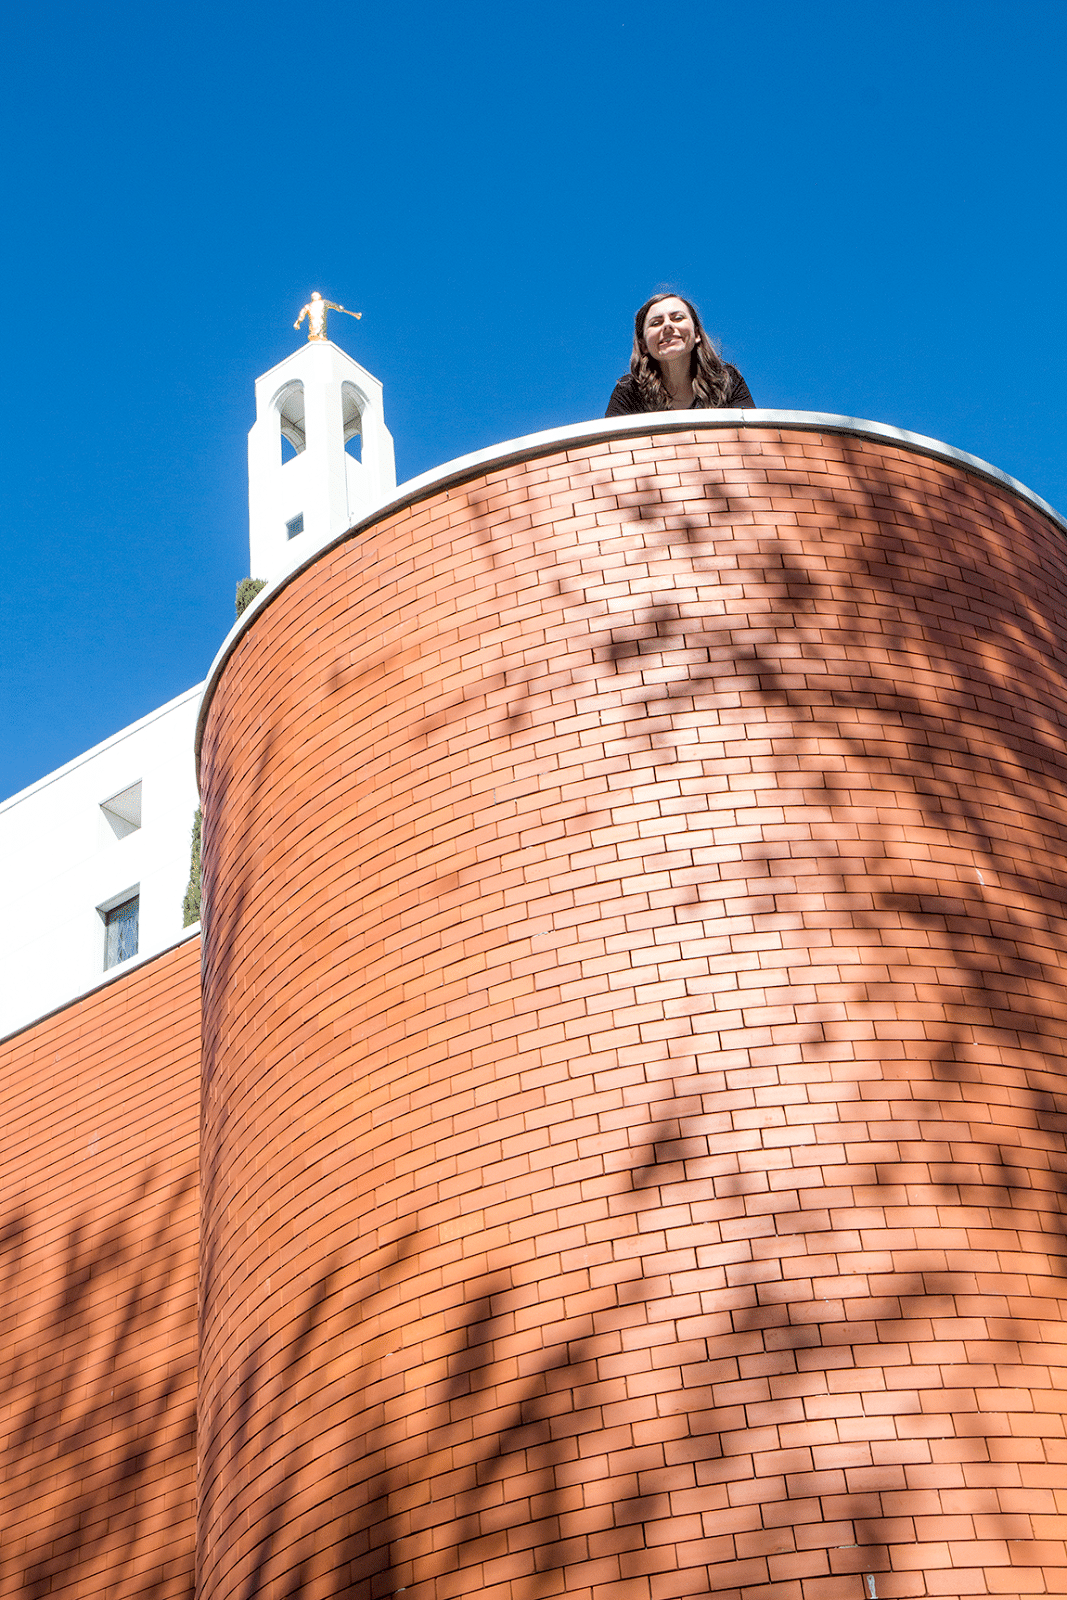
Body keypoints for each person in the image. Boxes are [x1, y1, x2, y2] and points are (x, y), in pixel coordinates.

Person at [606, 293, 753, 415]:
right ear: (643, 345)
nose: (668, 326)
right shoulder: (629, 392)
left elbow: (752, 438)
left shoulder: (727, 381)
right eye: (656, 323)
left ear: (696, 334)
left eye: (678, 318)